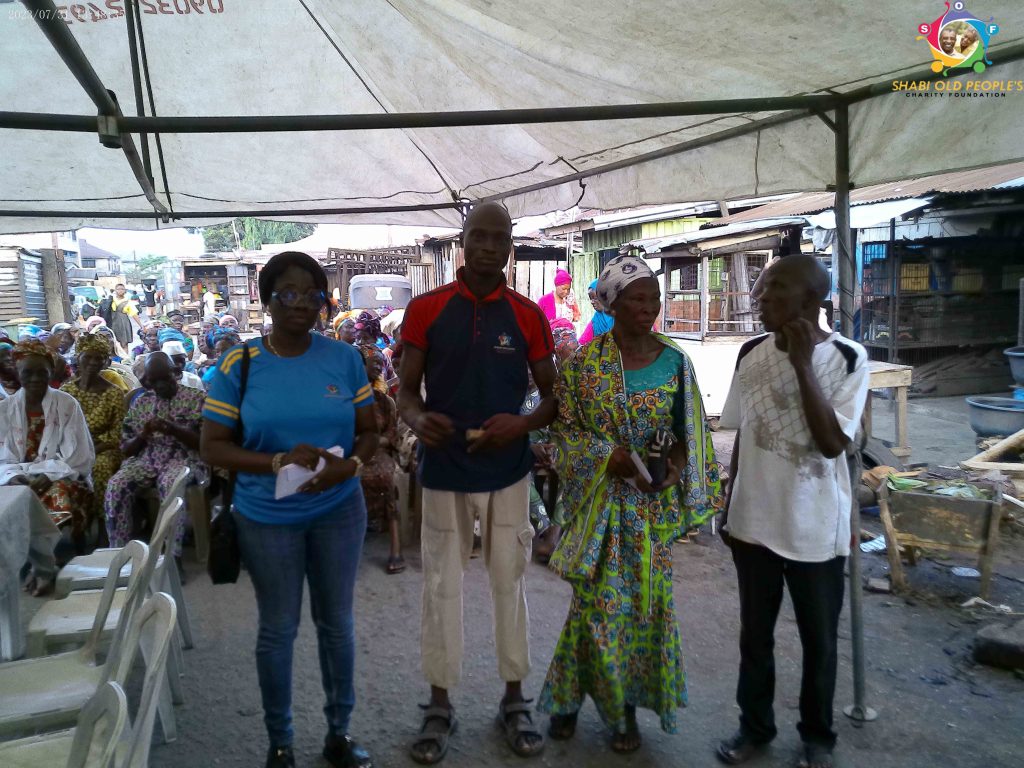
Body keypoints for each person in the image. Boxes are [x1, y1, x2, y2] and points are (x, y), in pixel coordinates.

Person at [537, 255, 722, 752]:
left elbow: (687, 432)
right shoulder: (584, 365)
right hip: (598, 505)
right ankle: (613, 712)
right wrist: (606, 456)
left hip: (648, 511)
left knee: (643, 608)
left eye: (654, 298)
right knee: (596, 607)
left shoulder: (675, 361)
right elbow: (563, 434)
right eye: (637, 298)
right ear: (612, 305)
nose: (649, 307)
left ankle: (578, 701)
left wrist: (674, 469)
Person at [200, 251, 377, 768]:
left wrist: (352, 466)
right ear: (268, 301)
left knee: (336, 624)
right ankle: (280, 743)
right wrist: (276, 461)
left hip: (339, 510)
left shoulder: (344, 359)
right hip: (266, 518)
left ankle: (339, 733)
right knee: (278, 628)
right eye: (289, 293)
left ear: (324, 302)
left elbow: (370, 431)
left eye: (311, 294)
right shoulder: (239, 364)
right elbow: (212, 446)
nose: (301, 304)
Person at [398, 202, 556, 764]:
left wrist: (522, 423)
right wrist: (418, 419)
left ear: (510, 246)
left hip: (508, 470)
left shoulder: (528, 314)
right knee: (441, 583)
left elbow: (552, 397)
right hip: (444, 468)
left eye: (499, 238)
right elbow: (406, 392)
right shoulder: (427, 309)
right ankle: (439, 704)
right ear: (462, 241)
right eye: (479, 236)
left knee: (509, 581)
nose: (489, 246)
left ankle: (514, 699)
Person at [714, 255, 868, 768]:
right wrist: (730, 502)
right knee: (755, 637)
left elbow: (831, 443)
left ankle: (817, 739)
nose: (760, 297)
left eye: (774, 289)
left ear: (811, 300)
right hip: (753, 522)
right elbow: (746, 431)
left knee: (818, 642)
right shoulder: (750, 352)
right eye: (761, 288)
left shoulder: (848, 358)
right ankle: (754, 728)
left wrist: (802, 365)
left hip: (815, 528)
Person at [0, 339, 95, 572]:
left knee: (57, 493)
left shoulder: (67, 404)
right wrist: (13, 477)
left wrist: (49, 475)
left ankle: (44, 565)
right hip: (17, 477)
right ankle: (18, 559)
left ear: (51, 371)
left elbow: (78, 456)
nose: (35, 379)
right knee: (11, 501)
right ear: (17, 372)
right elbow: (3, 457)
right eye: (28, 373)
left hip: (63, 476)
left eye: (41, 372)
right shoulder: (5, 409)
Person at [104, 351, 207, 560]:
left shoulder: (197, 399)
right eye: (154, 381)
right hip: (146, 459)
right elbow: (127, 449)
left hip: (185, 459)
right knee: (116, 485)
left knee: (170, 484)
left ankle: (171, 557)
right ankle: (119, 554)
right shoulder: (142, 402)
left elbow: (204, 444)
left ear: (176, 373)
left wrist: (173, 429)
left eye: (165, 379)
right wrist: (144, 433)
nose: (160, 385)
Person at [61, 333, 127, 549]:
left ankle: (103, 527)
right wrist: (76, 451)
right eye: (87, 357)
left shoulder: (114, 393)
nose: (92, 362)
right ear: (78, 357)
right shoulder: (66, 392)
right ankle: (75, 527)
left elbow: (118, 433)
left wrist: (90, 450)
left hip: (105, 448)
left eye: (99, 358)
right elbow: (59, 428)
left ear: (106, 361)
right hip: (70, 449)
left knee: (99, 468)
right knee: (58, 473)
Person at [357, 343, 404, 574]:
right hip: (352, 453)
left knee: (388, 477)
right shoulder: (345, 401)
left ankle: (396, 549)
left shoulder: (384, 401)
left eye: (380, 363)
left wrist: (373, 442)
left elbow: (392, 434)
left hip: (378, 452)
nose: (378, 367)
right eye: (372, 363)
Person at [577, 278, 615, 344]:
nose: (592, 302)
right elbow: (582, 342)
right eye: (590, 298)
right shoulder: (596, 320)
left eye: (595, 298)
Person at [108, 283, 138, 349]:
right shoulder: (111, 300)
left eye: (122, 289)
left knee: (124, 343)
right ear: (115, 290)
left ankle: (125, 355)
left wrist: (141, 326)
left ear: (125, 291)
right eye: (118, 289)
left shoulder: (128, 302)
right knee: (112, 343)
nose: (120, 291)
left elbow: (134, 314)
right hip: (112, 322)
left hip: (124, 323)